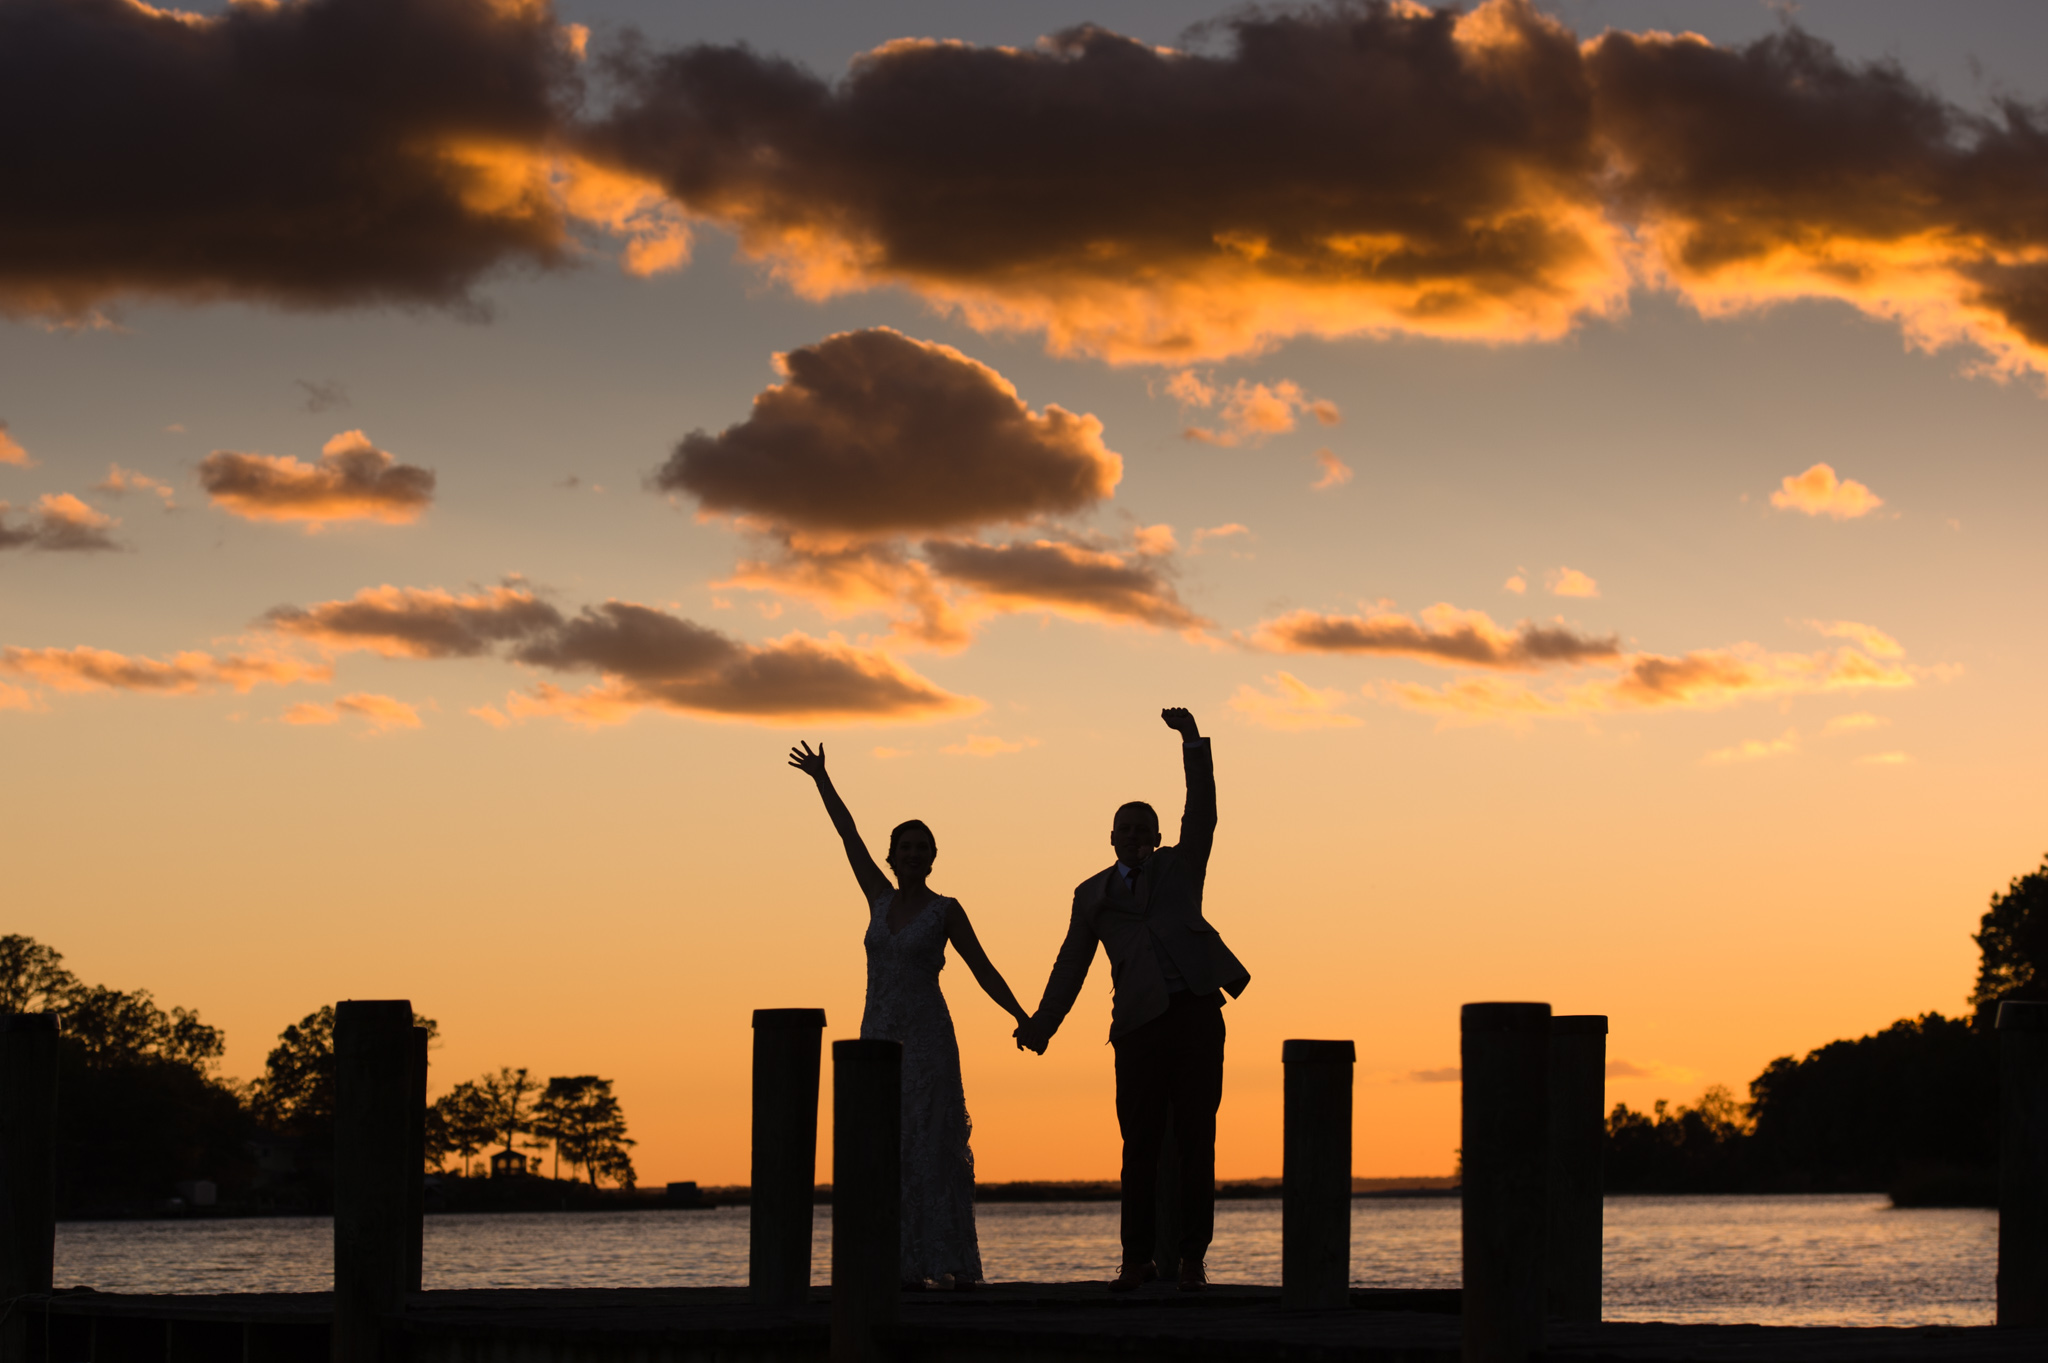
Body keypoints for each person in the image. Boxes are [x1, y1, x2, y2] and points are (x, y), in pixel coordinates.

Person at [1013, 707, 1249, 1293]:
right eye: (1128, 829)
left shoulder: (1180, 867)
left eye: (1146, 828)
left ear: (1159, 837)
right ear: (1112, 838)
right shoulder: (1091, 895)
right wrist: (1044, 1023)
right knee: (1138, 1144)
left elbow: (1205, 813)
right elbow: (1071, 963)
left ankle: (1193, 1259)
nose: (1138, 836)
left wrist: (1192, 743)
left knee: (1197, 1138)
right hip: (1138, 1027)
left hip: (1196, 1013)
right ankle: (1136, 1258)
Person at [788, 739, 1031, 1289]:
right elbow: (848, 837)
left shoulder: (947, 910)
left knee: (934, 1147)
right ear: (892, 855)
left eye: (924, 847)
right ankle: (893, 1264)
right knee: (882, 1147)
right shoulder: (877, 898)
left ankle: (948, 1262)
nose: (915, 854)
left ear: (933, 857)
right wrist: (822, 779)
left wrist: (1023, 1016)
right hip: (876, 1037)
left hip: (929, 1041)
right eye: (906, 847)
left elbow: (983, 969)